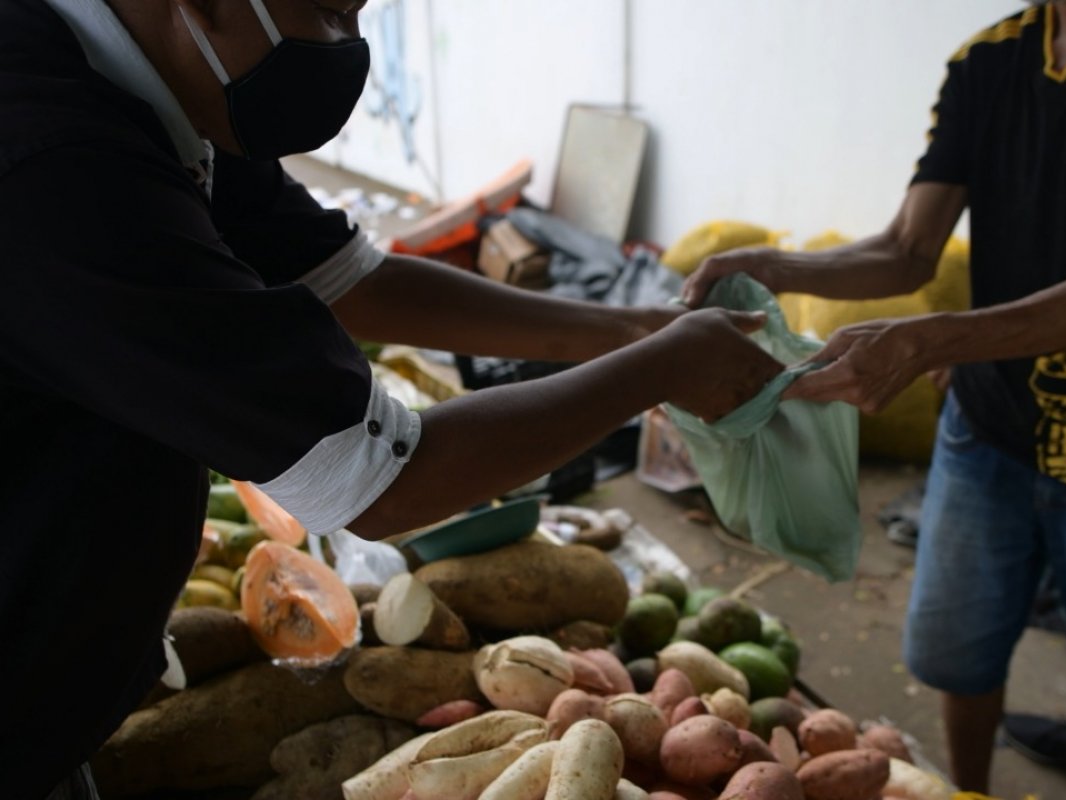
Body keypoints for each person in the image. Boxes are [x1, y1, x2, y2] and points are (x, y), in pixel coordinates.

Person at [0, 1, 786, 797]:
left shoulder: (165, 80)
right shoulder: (52, 161)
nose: (347, 45)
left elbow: (347, 277)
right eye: (327, 8)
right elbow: (374, 480)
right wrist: (660, 369)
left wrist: (633, 328)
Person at [684, 1, 1066, 798]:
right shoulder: (987, 62)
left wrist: (934, 342)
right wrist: (770, 265)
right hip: (988, 427)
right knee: (954, 654)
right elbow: (906, 251)